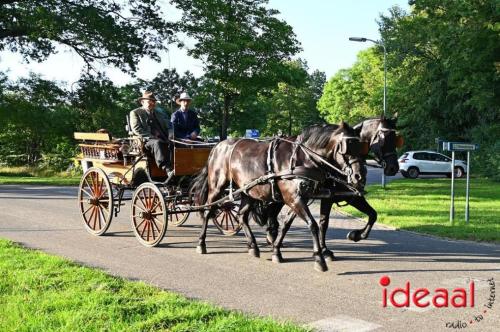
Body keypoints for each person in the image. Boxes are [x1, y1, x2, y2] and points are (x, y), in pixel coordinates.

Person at [129, 91, 173, 174]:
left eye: (153, 101)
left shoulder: (159, 113)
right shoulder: (135, 113)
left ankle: (180, 169)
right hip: (146, 140)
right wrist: (151, 136)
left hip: (163, 137)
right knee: (158, 143)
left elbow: (169, 125)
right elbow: (136, 129)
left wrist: (171, 134)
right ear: (142, 102)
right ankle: (167, 168)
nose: (152, 103)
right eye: (149, 101)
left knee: (177, 144)